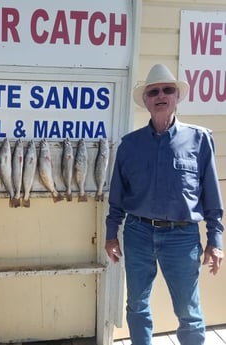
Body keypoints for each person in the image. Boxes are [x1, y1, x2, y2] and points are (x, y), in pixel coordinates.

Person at [105, 64, 224, 345]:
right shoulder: (129, 146)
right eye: (153, 91)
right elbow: (117, 195)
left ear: (176, 97)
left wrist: (215, 239)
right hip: (138, 234)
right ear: (145, 100)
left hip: (182, 238)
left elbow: (211, 194)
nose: (161, 95)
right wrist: (111, 234)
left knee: (189, 312)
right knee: (136, 305)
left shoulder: (199, 139)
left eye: (167, 90)